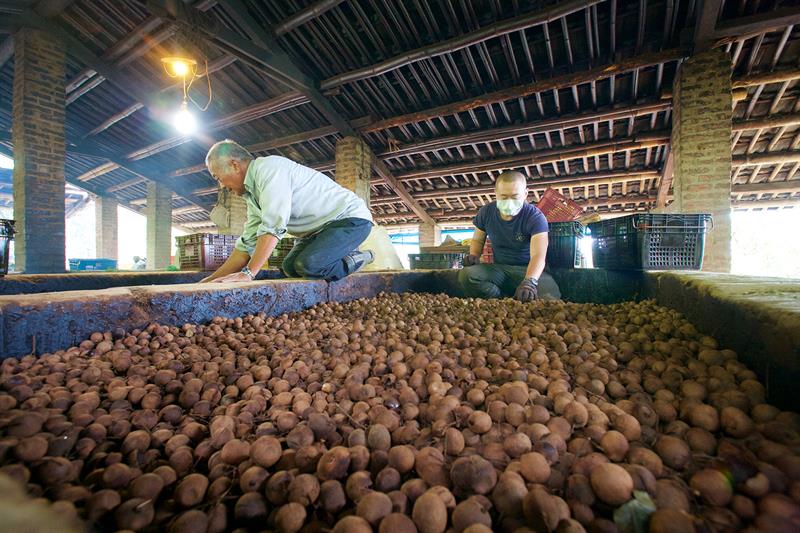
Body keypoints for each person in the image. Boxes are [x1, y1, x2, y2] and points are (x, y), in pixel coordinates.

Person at [200, 140, 374, 283]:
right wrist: (210, 281)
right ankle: (335, 255)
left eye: (217, 177)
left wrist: (248, 273)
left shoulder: (269, 170)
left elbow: (272, 227)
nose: (221, 185)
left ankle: (357, 258)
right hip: (318, 232)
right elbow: (246, 246)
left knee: (309, 264)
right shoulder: (253, 196)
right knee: (290, 267)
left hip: (350, 219)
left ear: (234, 165)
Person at [459, 170, 561, 301]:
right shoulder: (486, 212)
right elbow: (478, 240)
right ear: (495, 193)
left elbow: (538, 256)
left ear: (525, 194)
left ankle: (520, 290)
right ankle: (499, 300)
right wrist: (474, 255)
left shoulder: (535, 217)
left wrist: (530, 282)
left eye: (514, 196)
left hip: (527, 270)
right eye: (503, 196)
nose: (509, 201)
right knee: (467, 275)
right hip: (499, 269)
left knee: (550, 297)